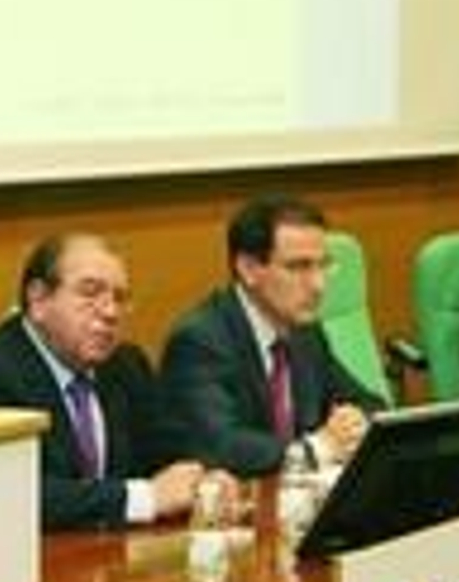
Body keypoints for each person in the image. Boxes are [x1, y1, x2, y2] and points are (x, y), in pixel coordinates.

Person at [0, 233, 211, 529]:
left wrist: (203, 479)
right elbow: (14, 494)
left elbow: (170, 448)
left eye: (119, 298)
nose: (110, 312)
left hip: (112, 556)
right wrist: (143, 498)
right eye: (90, 293)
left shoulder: (125, 364)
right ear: (38, 299)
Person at [160, 194, 385, 479]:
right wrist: (316, 448)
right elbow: (221, 446)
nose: (318, 285)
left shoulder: (305, 331)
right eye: (299, 267)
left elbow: (369, 404)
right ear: (249, 269)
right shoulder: (200, 341)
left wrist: (355, 422)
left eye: (323, 265)